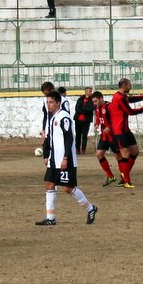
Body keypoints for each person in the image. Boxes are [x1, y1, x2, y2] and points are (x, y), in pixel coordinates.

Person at [36, 90, 97, 226]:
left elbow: (69, 138)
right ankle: (50, 218)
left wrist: (65, 158)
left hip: (65, 160)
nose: (48, 105)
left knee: (67, 188)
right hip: (53, 159)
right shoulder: (52, 118)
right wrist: (47, 155)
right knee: (49, 184)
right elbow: (50, 138)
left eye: (51, 102)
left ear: (58, 103)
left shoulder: (64, 117)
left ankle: (90, 208)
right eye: (47, 102)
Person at [108, 78, 143, 188]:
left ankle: (124, 176)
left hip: (125, 130)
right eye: (129, 85)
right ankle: (126, 181)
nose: (131, 87)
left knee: (135, 152)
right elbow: (130, 112)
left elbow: (132, 99)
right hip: (119, 131)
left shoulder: (122, 96)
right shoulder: (119, 98)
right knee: (126, 155)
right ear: (124, 86)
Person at [91, 91, 122, 186]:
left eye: (96, 101)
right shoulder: (96, 108)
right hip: (104, 136)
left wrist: (110, 127)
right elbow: (98, 117)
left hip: (113, 135)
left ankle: (124, 178)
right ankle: (110, 176)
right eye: (93, 102)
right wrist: (96, 124)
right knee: (99, 154)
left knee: (118, 157)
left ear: (101, 98)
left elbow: (116, 119)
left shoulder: (109, 107)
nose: (94, 103)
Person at [74, 87, 95, 155]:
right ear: (86, 92)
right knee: (78, 135)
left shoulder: (92, 100)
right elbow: (77, 108)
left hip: (86, 120)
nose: (91, 93)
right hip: (78, 120)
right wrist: (84, 110)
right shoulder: (80, 99)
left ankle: (83, 149)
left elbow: (90, 109)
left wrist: (82, 109)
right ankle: (77, 149)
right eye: (89, 91)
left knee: (84, 136)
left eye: (91, 91)